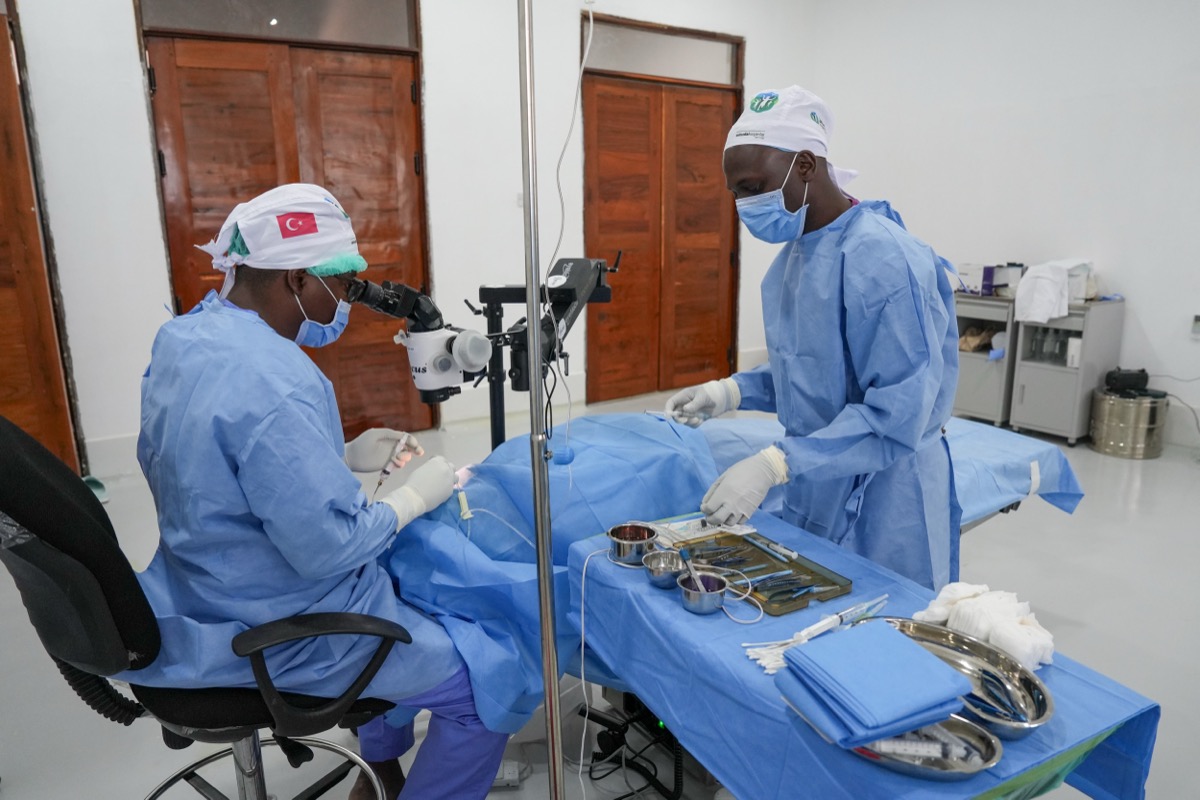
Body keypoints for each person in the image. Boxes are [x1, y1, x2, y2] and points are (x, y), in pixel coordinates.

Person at [126, 184, 507, 799]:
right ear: (298, 278)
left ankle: (378, 772)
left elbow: (209, 456)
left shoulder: (186, 337)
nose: (348, 296)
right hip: (276, 630)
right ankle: (394, 758)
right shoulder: (280, 380)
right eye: (342, 282)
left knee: (403, 595)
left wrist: (336, 455)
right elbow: (329, 550)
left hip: (194, 595)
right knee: (488, 685)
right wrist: (413, 497)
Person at [666, 87, 960, 590]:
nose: (744, 205)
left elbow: (897, 414)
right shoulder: (794, 260)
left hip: (889, 491)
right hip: (819, 476)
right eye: (736, 192)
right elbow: (811, 369)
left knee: (885, 616)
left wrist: (776, 463)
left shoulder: (887, 262)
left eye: (753, 186)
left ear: (804, 164)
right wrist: (730, 391)